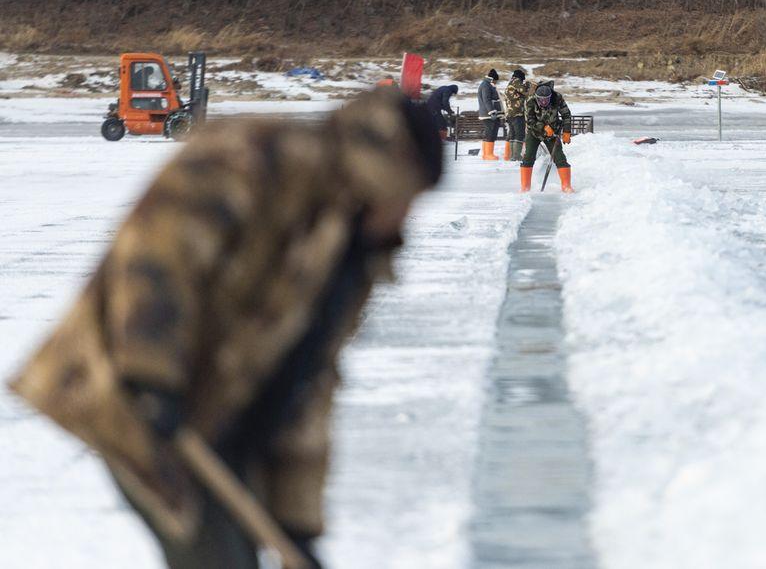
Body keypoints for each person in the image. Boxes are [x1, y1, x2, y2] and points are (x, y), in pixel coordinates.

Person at [9, 89, 442, 569]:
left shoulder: (351, 252)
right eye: (405, 197)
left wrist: (297, 526)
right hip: (125, 387)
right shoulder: (254, 158)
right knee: (216, 559)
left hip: (222, 414)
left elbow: (309, 384)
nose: (405, 216)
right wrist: (151, 375)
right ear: (379, 170)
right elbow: (159, 254)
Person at [520, 80, 574, 193]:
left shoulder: (557, 98)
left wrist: (567, 131)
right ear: (537, 97)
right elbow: (529, 121)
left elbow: (566, 114)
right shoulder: (530, 101)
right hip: (534, 132)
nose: (544, 102)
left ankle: (566, 186)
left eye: (546, 99)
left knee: (560, 158)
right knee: (528, 158)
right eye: (541, 99)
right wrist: (543, 127)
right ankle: (525, 187)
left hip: (552, 133)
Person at [504, 69, 530, 162]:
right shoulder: (517, 81)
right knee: (519, 134)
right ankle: (516, 156)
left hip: (510, 114)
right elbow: (524, 91)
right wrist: (528, 85)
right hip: (517, 112)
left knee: (513, 134)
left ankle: (513, 156)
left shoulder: (510, 82)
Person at [477, 68, 503, 160]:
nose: (496, 83)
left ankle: (486, 154)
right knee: (490, 133)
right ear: (493, 79)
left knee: (489, 132)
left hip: (489, 113)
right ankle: (488, 154)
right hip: (488, 114)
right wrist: (491, 111)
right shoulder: (486, 85)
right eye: (496, 81)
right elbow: (486, 99)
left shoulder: (487, 84)